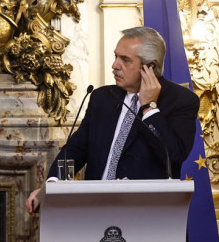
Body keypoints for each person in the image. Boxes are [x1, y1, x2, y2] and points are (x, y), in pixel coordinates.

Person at [26, 26, 201, 215]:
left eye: (125, 60)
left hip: (147, 217)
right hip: (95, 211)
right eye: (116, 56)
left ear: (149, 66)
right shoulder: (102, 97)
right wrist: (51, 186)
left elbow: (174, 155)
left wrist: (149, 107)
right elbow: (77, 148)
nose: (115, 65)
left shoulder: (181, 100)